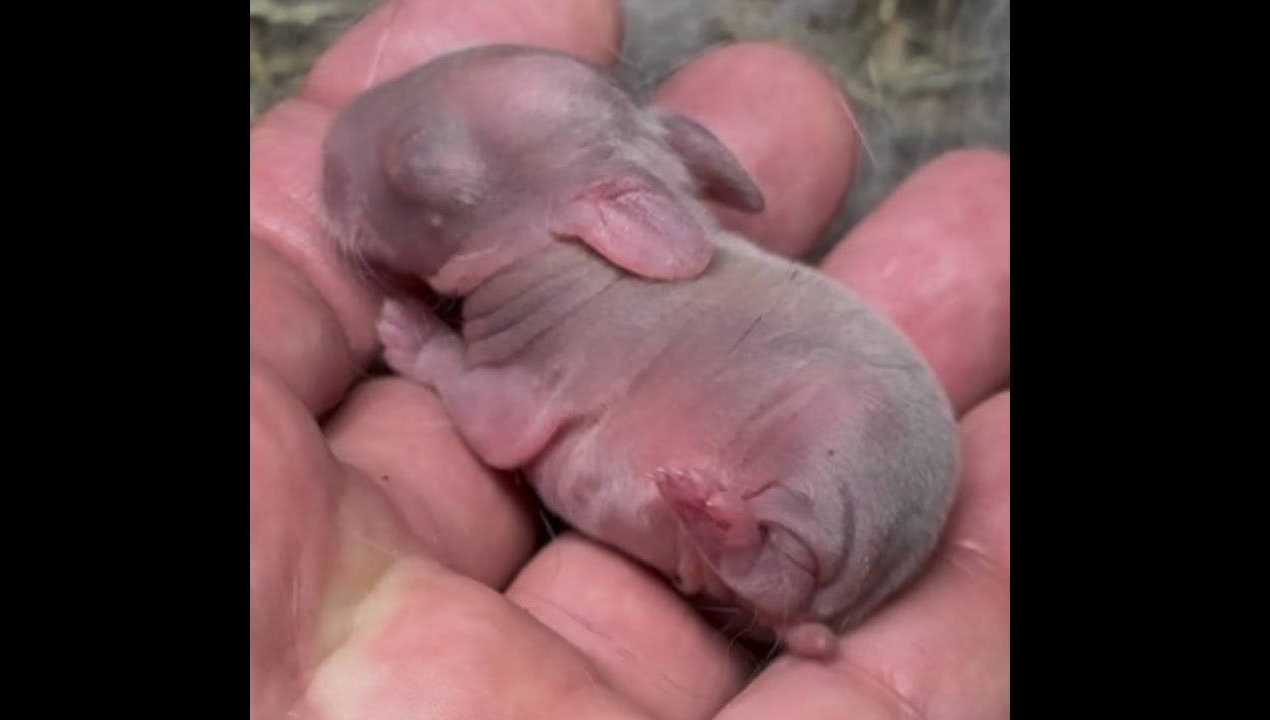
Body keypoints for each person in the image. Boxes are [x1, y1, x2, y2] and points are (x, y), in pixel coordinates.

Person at [249, 1, 1010, 717]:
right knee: (814, 456)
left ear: (618, 221)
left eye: (418, 161)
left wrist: (441, 363)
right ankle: (771, 564)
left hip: (844, 459)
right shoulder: (615, 224)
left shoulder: (560, 308)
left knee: (814, 456)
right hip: (882, 476)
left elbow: (506, 428)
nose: (343, 158)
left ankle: (773, 561)